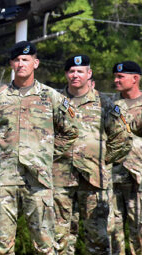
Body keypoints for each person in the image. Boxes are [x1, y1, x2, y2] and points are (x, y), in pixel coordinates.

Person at [0, 41, 78, 255]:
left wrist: (46, 153)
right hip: (4, 179)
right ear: (11, 63)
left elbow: (71, 131)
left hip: (38, 181)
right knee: (1, 246)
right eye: (17, 60)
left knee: (45, 246)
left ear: (35, 63)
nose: (21, 64)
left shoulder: (51, 97)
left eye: (26, 60)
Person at [51, 55, 130, 255]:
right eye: (71, 71)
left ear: (89, 74)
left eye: (80, 71)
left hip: (95, 180)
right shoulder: (54, 103)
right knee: (59, 239)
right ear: (66, 74)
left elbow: (122, 137)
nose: (75, 75)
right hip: (60, 179)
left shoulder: (106, 103)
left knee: (98, 239)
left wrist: (106, 161)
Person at [110, 61, 142, 255]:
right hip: (114, 177)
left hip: (139, 177)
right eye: (115, 76)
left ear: (135, 78)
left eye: (120, 76)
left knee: (139, 230)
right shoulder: (111, 106)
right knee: (114, 232)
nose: (116, 80)